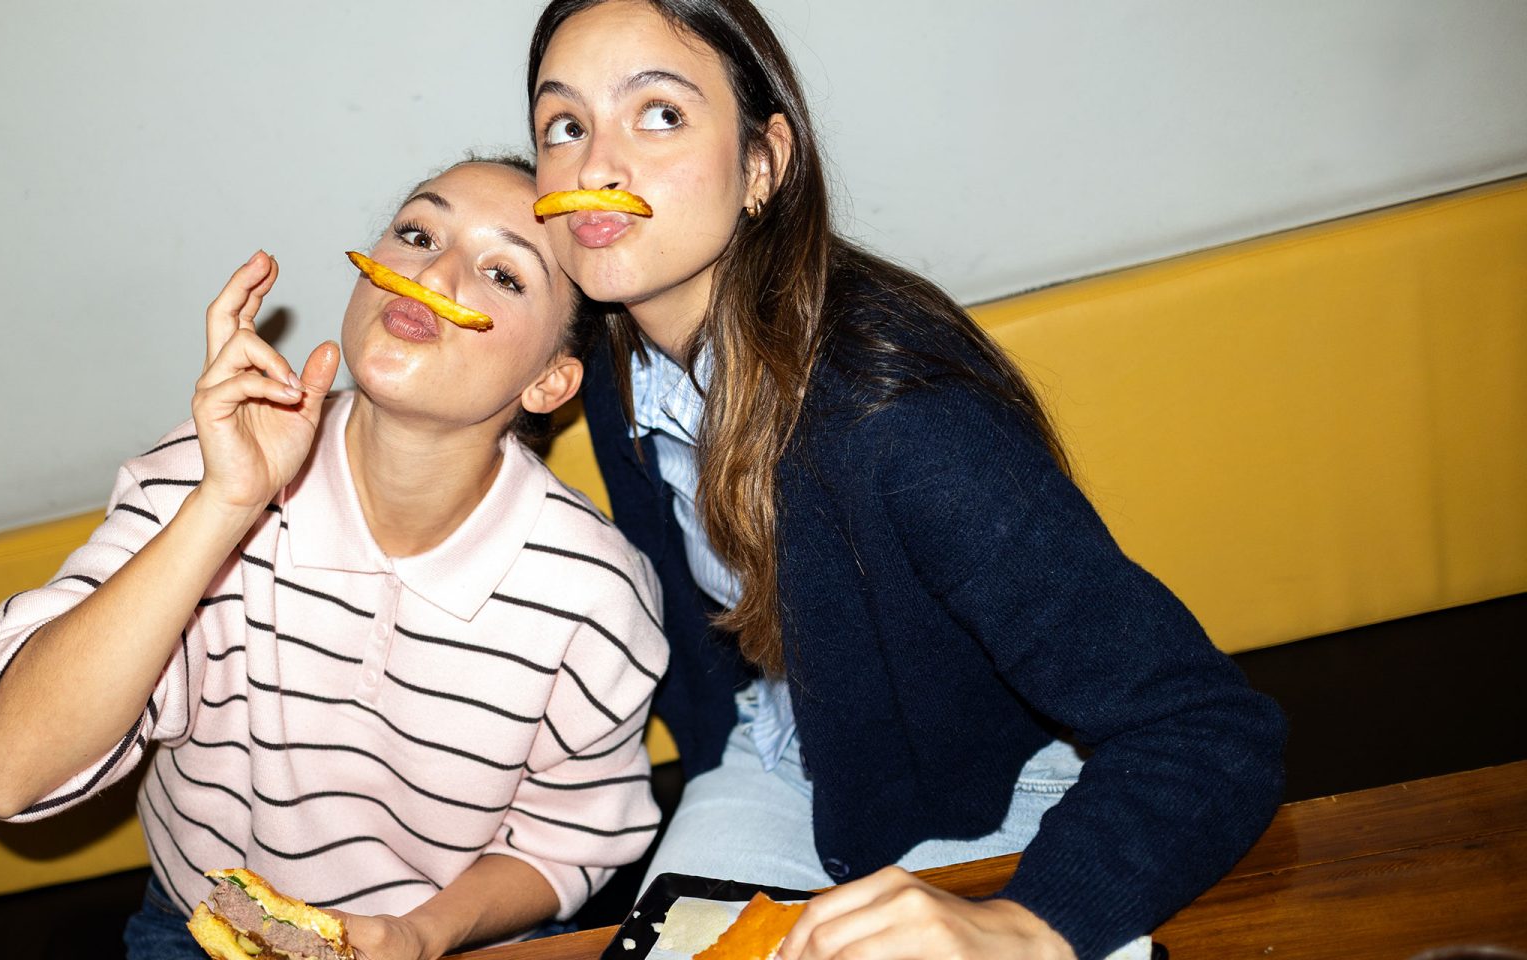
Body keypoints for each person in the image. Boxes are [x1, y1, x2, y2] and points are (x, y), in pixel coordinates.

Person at [524, 2, 1288, 958]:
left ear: (763, 165)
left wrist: (1025, 926)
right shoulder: (617, 364)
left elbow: (1211, 730)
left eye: (661, 114)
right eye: (565, 125)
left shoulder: (895, 420)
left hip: (994, 804)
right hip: (783, 757)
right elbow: (687, 618)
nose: (595, 165)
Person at [0, 157, 668, 960]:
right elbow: (7, 775)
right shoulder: (203, 471)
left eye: (502, 273)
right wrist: (224, 507)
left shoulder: (592, 589)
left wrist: (417, 937)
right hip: (207, 934)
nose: (432, 272)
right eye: (417, 233)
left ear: (550, 382)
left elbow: (567, 838)